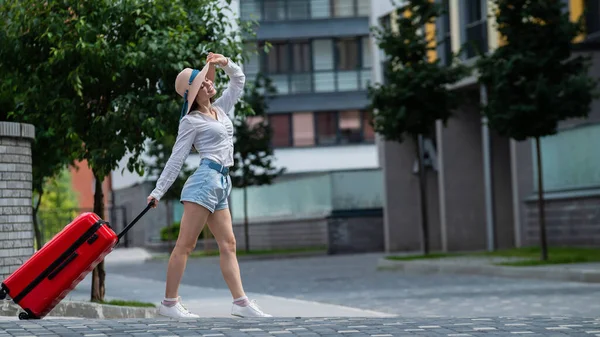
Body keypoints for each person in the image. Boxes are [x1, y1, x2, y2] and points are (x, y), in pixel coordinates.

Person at [146, 52, 271, 319]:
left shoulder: (221, 109)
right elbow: (176, 159)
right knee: (185, 246)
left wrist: (224, 62)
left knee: (229, 244)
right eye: (203, 83)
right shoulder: (190, 122)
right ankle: (169, 304)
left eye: (207, 79)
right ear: (193, 93)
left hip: (222, 182)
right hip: (203, 183)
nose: (209, 84)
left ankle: (240, 303)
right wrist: (158, 191)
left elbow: (238, 80)